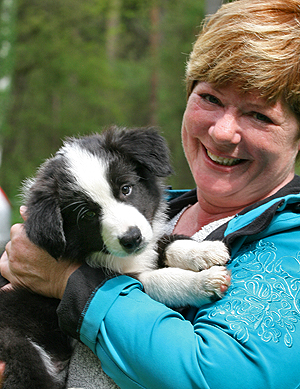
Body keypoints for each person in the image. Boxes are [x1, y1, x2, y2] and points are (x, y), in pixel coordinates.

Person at [1, 0, 300, 387]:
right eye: (210, 98)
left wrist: (70, 282)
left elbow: (217, 377)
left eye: (259, 115)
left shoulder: (289, 243)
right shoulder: (161, 209)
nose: (223, 132)